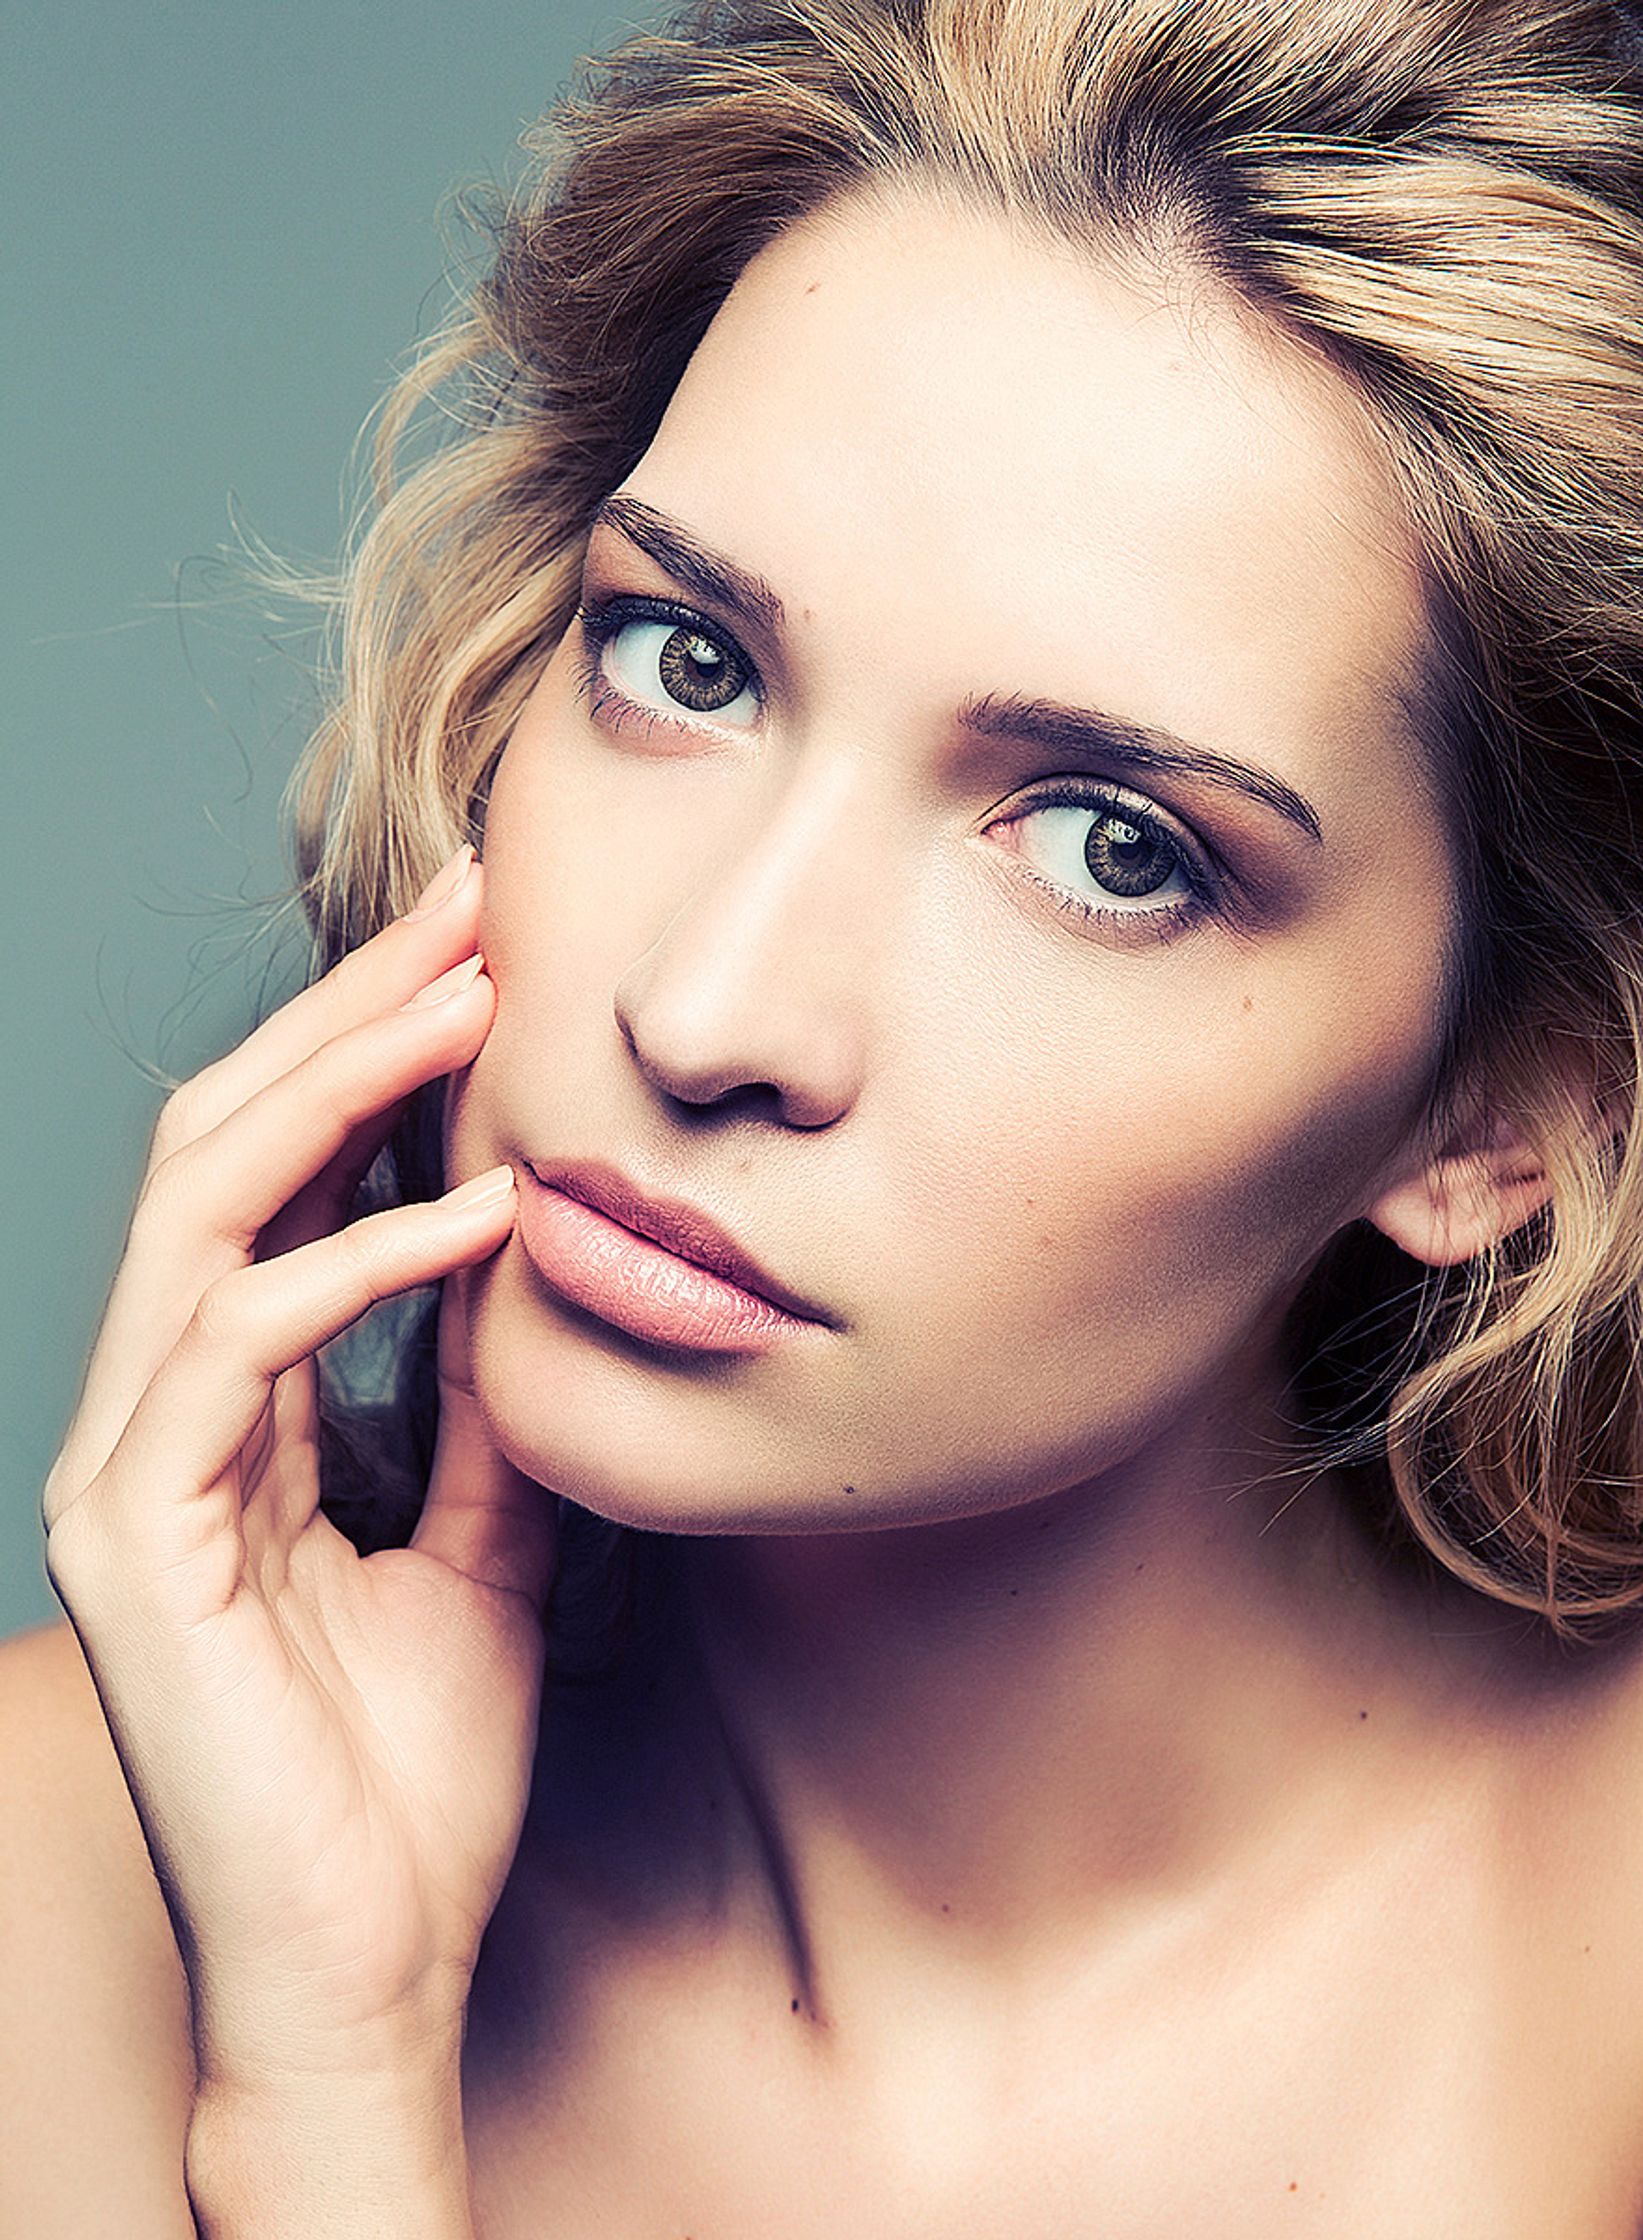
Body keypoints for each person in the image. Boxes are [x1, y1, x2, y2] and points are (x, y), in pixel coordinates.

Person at [11, 0, 1643, 2230]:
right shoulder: (66, 1893)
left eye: (1109, 844)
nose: (704, 1007)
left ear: (1501, 1106)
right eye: (687, 663)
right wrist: (322, 2075)